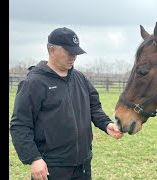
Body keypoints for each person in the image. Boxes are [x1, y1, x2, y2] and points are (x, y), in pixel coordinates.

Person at [10, 27, 124, 180]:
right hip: (52, 167)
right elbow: (20, 125)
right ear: (52, 51)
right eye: (69, 52)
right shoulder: (34, 83)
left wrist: (106, 124)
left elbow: (93, 107)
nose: (74, 57)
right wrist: (33, 158)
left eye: (76, 53)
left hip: (83, 164)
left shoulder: (80, 78)